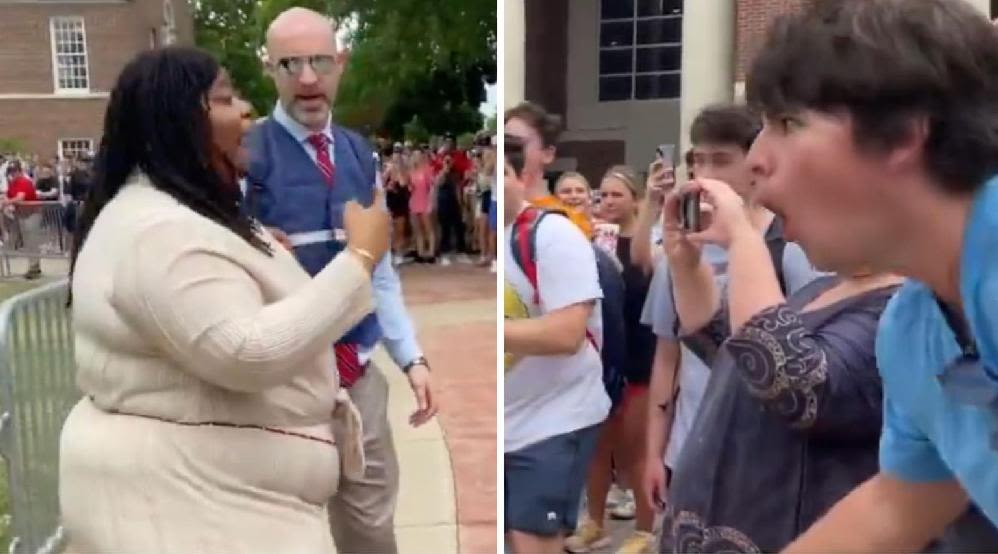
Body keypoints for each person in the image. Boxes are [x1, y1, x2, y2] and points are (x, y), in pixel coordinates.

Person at [61, 46, 389, 553]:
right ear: (182, 120)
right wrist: (360, 258)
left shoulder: (173, 212)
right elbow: (244, 350)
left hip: (219, 505)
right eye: (225, 98)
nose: (244, 111)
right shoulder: (159, 233)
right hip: (205, 516)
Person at [742, 1, 998, 551]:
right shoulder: (911, 333)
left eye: (787, 123)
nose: (754, 160)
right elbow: (897, 506)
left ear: (904, 131)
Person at [244, 9, 437, 554]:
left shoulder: (357, 151)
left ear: (341, 63)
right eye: (290, 63)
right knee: (284, 533)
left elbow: (379, 272)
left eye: (320, 61)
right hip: (278, 384)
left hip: (357, 376)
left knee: (371, 529)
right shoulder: (243, 156)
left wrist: (411, 357)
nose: (308, 78)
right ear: (269, 69)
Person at [658, 173, 903, 553]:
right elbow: (735, 351)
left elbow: (794, 385)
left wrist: (743, 239)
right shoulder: (820, 290)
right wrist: (686, 265)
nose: (790, 233)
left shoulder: (902, 311)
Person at [505, 134, 610, 554]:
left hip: (553, 422)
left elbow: (567, 334)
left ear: (525, 176)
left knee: (533, 543)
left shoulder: (553, 236)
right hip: (507, 421)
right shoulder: (492, 239)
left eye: (505, 173)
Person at [565, 166, 658, 554]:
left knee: (634, 453)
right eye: (602, 195)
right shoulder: (592, 240)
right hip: (603, 359)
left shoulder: (649, 242)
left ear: (636, 198)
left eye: (616, 195)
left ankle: (645, 528)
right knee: (599, 448)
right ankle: (596, 524)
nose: (607, 202)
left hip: (641, 356)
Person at [505, 102, 592, 238]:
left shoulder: (569, 222)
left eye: (517, 145)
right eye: (504, 144)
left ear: (547, 154)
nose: (506, 153)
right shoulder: (499, 212)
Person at [4, 161, 42, 279]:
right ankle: (33, 266)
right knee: (22, 240)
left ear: (20, 171)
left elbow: (20, 197)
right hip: (20, 214)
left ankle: (34, 268)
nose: (12, 174)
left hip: (32, 213)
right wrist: (6, 200)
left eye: (14, 172)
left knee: (31, 241)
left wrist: (7, 202)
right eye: (11, 172)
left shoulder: (24, 181)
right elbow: (8, 195)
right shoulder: (12, 183)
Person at [407, 148, 437, 263]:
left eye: (418, 156)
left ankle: (431, 252)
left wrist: (431, 202)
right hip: (414, 201)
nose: (416, 158)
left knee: (428, 228)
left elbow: (432, 187)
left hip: (425, 201)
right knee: (418, 229)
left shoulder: (427, 170)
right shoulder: (411, 171)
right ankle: (420, 252)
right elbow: (409, 187)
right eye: (414, 156)